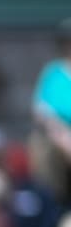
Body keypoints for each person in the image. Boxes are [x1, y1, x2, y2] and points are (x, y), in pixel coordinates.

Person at [33, 20, 71, 204]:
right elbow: (41, 111)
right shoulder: (53, 73)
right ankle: (56, 201)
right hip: (57, 138)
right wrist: (63, 136)